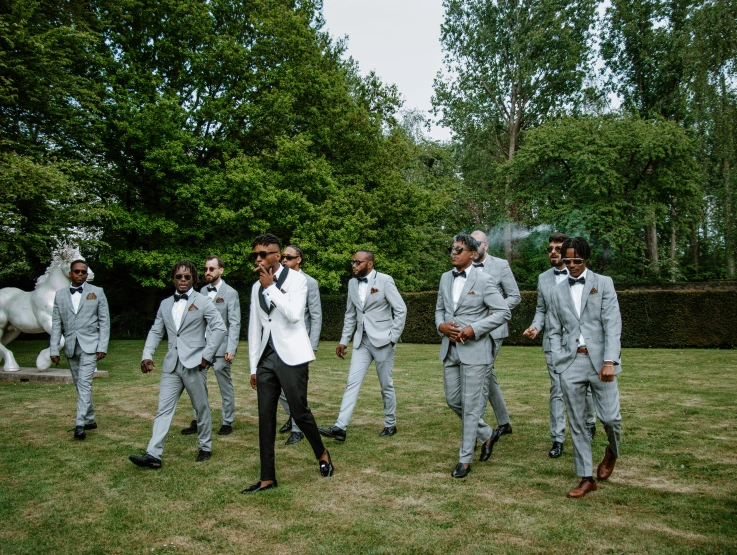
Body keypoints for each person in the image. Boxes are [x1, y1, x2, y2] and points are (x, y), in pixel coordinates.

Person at [243, 234, 333, 494]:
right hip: (266, 358)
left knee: (299, 411)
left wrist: (271, 287)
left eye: (264, 254)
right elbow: (254, 329)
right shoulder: (254, 286)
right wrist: (252, 367)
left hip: (292, 356)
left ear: (277, 253)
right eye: (255, 255)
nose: (259, 259)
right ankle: (267, 477)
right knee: (265, 417)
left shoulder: (298, 280)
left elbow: (294, 316)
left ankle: (322, 453)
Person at [129, 261, 225, 469]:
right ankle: (153, 454)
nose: (183, 280)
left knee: (201, 408)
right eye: (179, 277)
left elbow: (219, 328)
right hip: (171, 365)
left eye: (187, 277)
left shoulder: (203, 301)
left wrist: (207, 355)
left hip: (195, 364)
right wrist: (147, 355)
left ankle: (205, 447)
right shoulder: (165, 304)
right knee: (163, 409)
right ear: (173, 278)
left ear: (194, 279)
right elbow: (156, 331)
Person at [548, 237, 623, 498]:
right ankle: (586, 477)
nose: (571, 265)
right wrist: (559, 361)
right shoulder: (556, 291)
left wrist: (610, 361)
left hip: (601, 362)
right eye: (567, 260)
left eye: (576, 260)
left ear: (586, 259)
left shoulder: (603, 284)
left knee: (611, 418)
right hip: (570, 364)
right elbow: (554, 329)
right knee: (577, 422)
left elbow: (612, 325)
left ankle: (612, 450)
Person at [435, 234, 511, 478]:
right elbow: (439, 309)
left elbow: (503, 312)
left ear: (472, 254)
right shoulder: (446, 278)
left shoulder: (485, 279)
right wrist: (441, 326)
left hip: (476, 351)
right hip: (450, 349)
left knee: (470, 407)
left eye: (459, 249)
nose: (453, 253)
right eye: (452, 248)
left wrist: (474, 329)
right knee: (453, 400)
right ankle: (487, 434)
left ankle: (464, 459)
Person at [318, 250, 407, 442]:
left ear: (370, 264)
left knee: (386, 385)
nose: (354, 265)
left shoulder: (385, 280)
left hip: (384, 341)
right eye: (353, 262)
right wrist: (343, 340)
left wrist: (393, 337)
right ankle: (340, 427)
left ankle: (390, 423)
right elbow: (350, 314)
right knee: (352, 382)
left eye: (358, 262)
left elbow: (400, 309)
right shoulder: (351, 283)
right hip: (361, 342)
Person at [523, 233, 596, 458]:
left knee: (586, 389)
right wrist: (536, 326)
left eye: (558, 248)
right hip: (553, 344)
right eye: (550, 248)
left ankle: (589, 422)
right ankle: (558, 438)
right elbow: (541, 310)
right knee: (557, 390)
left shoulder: (585, 276)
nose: (553, 251)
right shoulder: (543, 278)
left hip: (582, 344)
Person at [470, 230, 520, 448]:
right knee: (488, 376)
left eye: (477, 243)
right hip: (471, 331)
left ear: (486, 245)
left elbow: (514, 296)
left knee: (481, 375)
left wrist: (496, 310)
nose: (473, 247)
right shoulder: (464, 266)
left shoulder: (500, 265)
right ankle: (504, 422)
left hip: (493, 331)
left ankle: (475, 428)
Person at [181, 256, 241, 437]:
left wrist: (231, 348)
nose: (208, 272)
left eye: (211, 269)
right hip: (201, 348)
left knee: (225, 386)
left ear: (221, 270)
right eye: (206, 269)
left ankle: (227, 421)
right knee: (197, 386)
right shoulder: (199, 292)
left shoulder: (231, 293)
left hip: (222, 348)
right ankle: (199, 420)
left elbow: (234, 323)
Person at [50, 259, 110, 440]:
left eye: (83, 272)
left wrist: (102, 346)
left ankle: (79, 424)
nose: (80, 275)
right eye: (77, 271)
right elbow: (56, 325)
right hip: (70, 346)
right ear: (71, 273)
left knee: (85, 384)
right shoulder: (60, 295)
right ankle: (90, 419)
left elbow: (104, 321)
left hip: (91, 346)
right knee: (79, 384)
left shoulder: (97, 292)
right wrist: (54, 349)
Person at [277, 245, 322, 446]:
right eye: (282, 257)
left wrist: (312, 346)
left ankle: (297, 430)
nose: (284, 260)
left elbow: (316, 315)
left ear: (299, 259)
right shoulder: (276, 279)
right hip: (277, 342)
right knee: (276, 388)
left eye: (288, 257)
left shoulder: (309, 282)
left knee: (296, 389)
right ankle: (293, 416)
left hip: (298, 342)